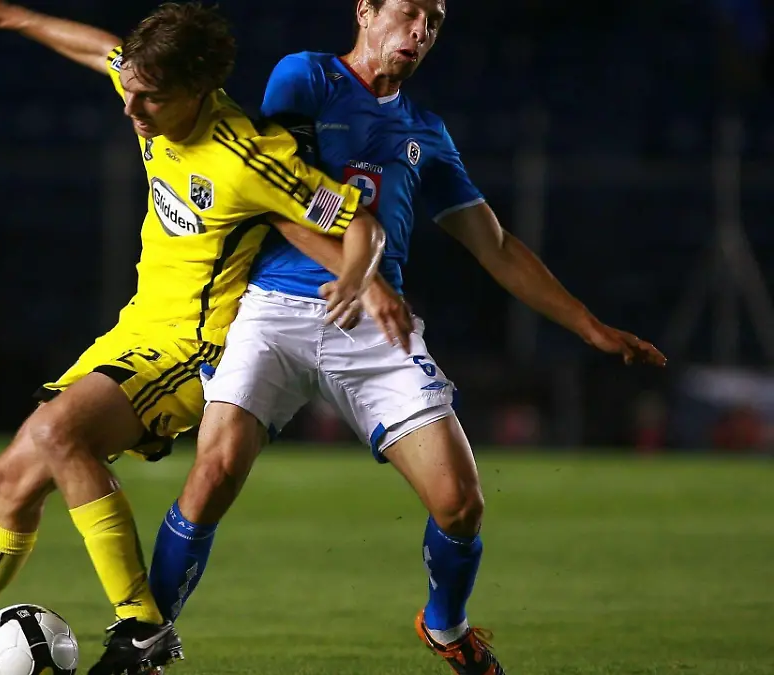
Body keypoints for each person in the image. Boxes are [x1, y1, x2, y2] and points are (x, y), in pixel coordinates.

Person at [0, 2, 401, 675]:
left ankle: (142, 624)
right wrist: (5, 17)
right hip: (135, 329)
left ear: (198, 90)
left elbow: (362, 226)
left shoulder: (251, 156)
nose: (132, 108)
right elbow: (99, 50)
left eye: (150, 97)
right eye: (132, 89)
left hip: (191, 350)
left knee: (60, 434)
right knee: (11, 476)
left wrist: (360, 279)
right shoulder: (146, 86)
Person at [144, 1, 668, 674]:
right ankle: (144, 643)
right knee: (211, 476)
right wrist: (361, 274)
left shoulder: (425, 130)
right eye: (409, 12)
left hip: (373, 324)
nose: (420, 31)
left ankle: (446, 625)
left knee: (460, 502)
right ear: (365, 10)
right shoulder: (305, 79)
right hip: (276, 306)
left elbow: (497, 244)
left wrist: (587, 324)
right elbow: (277, 199)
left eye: (436, 20)